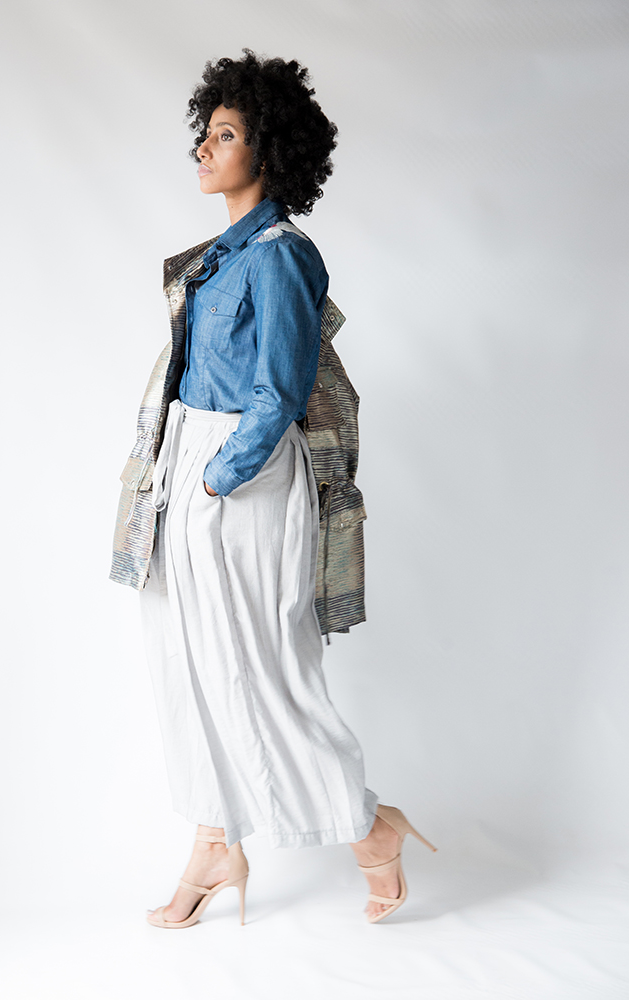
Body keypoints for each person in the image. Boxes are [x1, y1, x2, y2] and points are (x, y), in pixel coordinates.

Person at [120, 49, 436, 927]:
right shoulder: (216, 259)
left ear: (269, 148)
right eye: (205, 133)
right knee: (186, 657)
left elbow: (280, 392)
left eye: (225, 135)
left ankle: (368, 827)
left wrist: (217, 478)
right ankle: (214, 841)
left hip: (242, 477)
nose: (203, 148)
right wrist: (184, 472)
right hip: (187, 463)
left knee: (262, 668)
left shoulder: (282, 256)